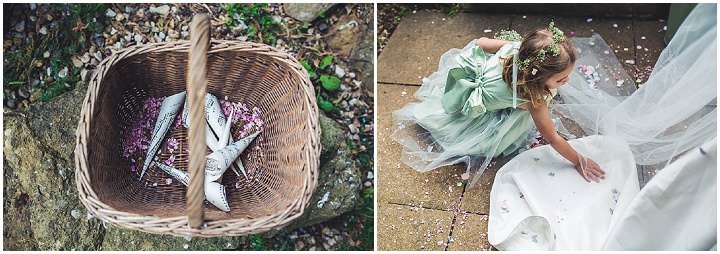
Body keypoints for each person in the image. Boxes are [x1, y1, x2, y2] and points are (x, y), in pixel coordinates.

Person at [391, 22, 605, 186]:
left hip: (478, 86)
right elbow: (552, 137)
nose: (566, 81)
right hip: (478, 115)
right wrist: (578, 160)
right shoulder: (534, 100)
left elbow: (481, 42)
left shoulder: (515, 49)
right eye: (560, 79)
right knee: (518, 119)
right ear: (536, 77)